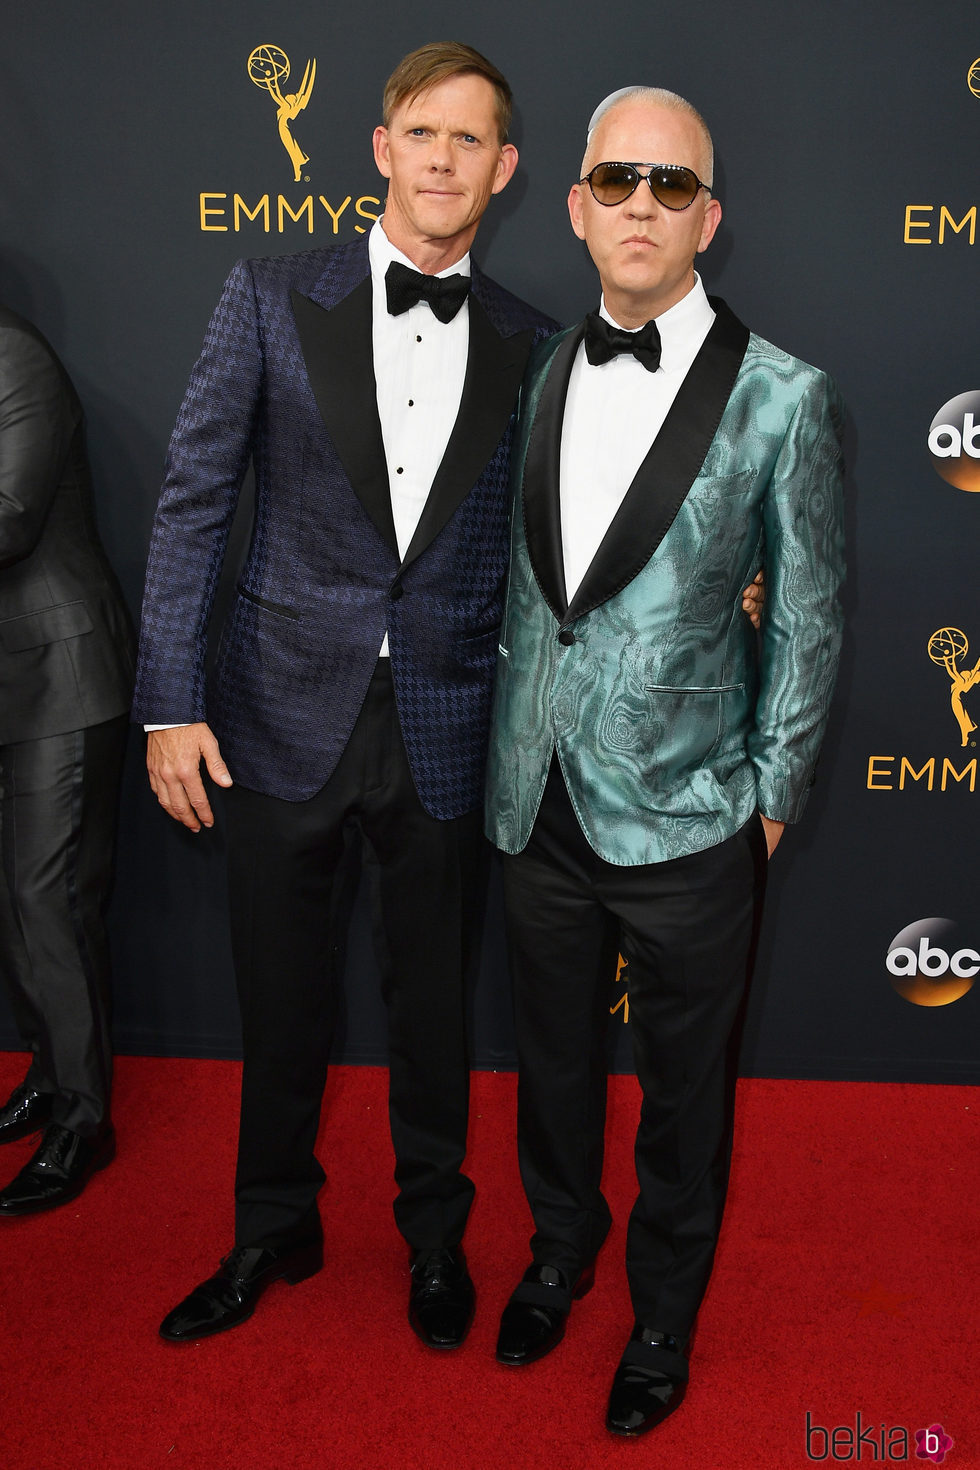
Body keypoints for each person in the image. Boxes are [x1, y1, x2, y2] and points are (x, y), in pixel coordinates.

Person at [133, 41, 558, 1348]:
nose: (442, 158)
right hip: (273, 712)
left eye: (469, 139)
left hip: (445, 722)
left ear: (506, 168)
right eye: (420, 133)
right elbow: (196, 498)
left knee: (435, 1008)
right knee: (281, 1000)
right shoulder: (267, 292)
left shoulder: (534, 343)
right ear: (379, 149)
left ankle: (435, 1235)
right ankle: (273, 1225)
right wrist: (166, 702)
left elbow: (555, 545)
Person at [484, 87, 844, 1436]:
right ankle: (560, 1251)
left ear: (709, 217)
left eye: (672, 185)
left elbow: (808, 621)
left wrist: (766, 805)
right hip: (539, 802)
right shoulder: (528, 370)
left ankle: (661, 1313)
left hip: (697, 819)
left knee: (686, 1101)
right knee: (553, 1062)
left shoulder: (787, 400)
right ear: (576, 207)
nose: (643, 203)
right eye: (618, 181)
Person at [0, 306, 134, 1215]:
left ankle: (83, 1118)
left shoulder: (14, 356)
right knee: (16, 899)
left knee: (51, 896)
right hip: (11, 684)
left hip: (64, 677)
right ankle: (51, 1073)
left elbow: (10, 518)